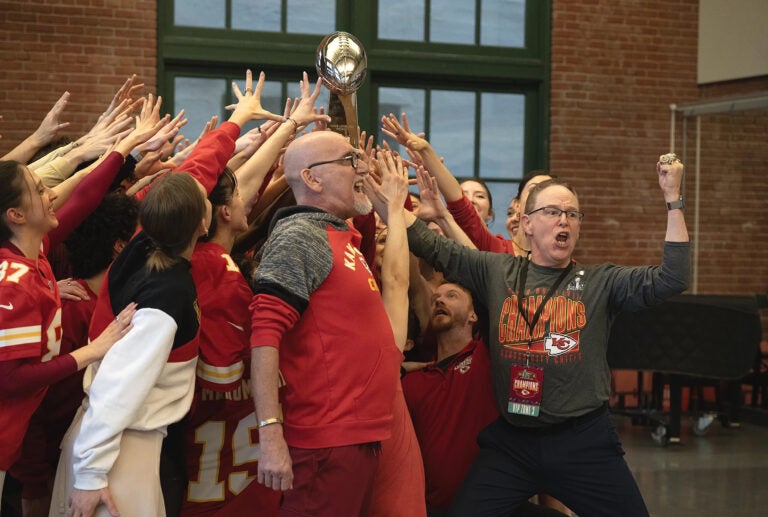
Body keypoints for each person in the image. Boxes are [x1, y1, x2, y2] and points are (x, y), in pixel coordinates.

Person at [393, 155, 690, 516]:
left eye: (573, 214)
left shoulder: (601, 282)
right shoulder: (497, 271)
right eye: (552, 211)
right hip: (514, 439)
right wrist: (391, 202)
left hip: (582, 440)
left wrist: (673, 198)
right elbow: (432, 246)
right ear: (527, 224)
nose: (564, 220)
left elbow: (673, 279)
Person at [181, 71, 325, 517]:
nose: (252, 196)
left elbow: (239, 183)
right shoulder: (215, 269)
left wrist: (289, 129)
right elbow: (223, 373)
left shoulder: (203, 256)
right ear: (224, 211)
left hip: (214, 454)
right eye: (241, 195)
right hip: (223, 467)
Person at [249, 130, 402, 516]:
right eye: (351, 161)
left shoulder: (341, 238)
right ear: (312, 178)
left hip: (355, 438)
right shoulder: (301, 236)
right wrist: (270, 432)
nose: (363, 169)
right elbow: (264, 337)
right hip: (326, 442)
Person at [9, 192, 139, 517]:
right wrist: (36, 485)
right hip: (44, 472)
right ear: (120, 246)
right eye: (143, 234)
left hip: (81, 460)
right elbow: (33, 404)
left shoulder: (119, 304)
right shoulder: (73, 309)